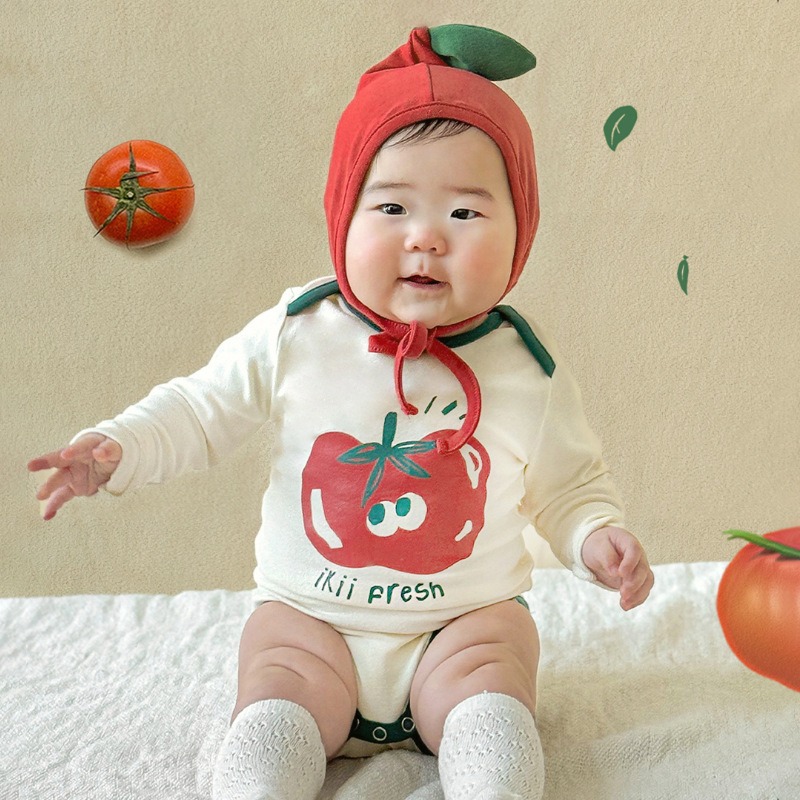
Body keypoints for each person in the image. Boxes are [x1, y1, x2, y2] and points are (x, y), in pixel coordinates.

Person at [29, 25, 654, 800]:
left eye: (466, 214)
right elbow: (201, 408)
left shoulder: (524, 363)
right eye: (392, 206)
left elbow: (567, 484)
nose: (426, 238)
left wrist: (596, 536)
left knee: (496, 662)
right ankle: (263, 773)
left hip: (460, 629)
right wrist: (120, 447)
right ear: (342, 215)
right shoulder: (301, 330)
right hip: (311, 623)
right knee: (275, 674)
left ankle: (489, 769)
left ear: (522, 229)